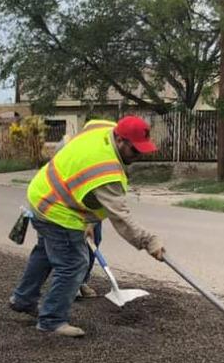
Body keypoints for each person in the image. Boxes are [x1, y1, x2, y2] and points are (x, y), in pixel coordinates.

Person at [9, 116, 165, 337]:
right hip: (58, 209)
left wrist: (90, 220)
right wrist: (150, 242)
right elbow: (120, 217)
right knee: (74, 263)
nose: (138, 156)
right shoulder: (105, 170)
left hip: (41, 192)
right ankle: (52, 320)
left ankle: (23, 299)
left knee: (45, 252)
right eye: (135, 150)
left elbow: (88, 125)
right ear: (120, 140)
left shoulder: (103, 127)